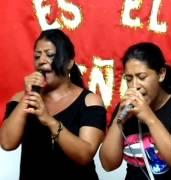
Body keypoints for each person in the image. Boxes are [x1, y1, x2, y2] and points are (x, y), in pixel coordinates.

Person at [0, 29, 106, 179]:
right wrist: (29, 96)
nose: (41, 61)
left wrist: (49, 120)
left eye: (50, 55)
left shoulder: (89, 101)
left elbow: (85, 155)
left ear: (69, 63)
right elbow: (7, 143)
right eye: (37, 56)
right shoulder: (20, 99)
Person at [99, 42, 171, 180]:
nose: (135, 86)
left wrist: (149, 118)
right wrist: (118, 120)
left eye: (142, 77)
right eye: (129, 79)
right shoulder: (125, 108)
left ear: (161, 74)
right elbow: (108, 165)